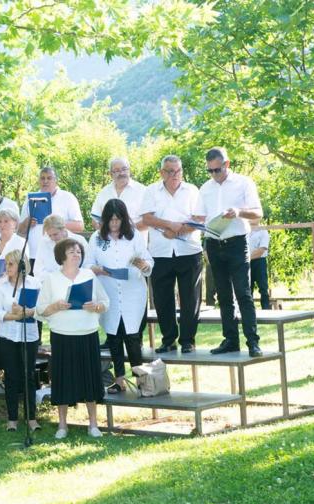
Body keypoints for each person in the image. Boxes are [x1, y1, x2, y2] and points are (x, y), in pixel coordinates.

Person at [193, 147, 264, 357]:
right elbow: (199, 217)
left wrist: (238, 212)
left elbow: (258, 214)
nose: (214, 175)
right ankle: (231, 340)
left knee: (243, 292)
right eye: (210, 171)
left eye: (217, 170)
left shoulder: (244, 183)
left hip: (236, 242)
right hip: (214, 243)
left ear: (227, 164)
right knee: (223, 295)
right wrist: (198, 222)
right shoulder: (205, 189)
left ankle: (253, 341)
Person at [36, 239, 109, 439]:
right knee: (62, 379)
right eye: (71, 252)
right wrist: (56, 306)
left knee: (90, 378)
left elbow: (105, 303)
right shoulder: (51, 279)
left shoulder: (89, 275)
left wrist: (96, 306)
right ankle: (62, 425)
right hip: (62, 335)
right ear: (62, 256)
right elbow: (40, 310)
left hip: (87, 333)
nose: (76, 254)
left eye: (78, 251)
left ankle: (93, 424)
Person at [88, 199, 153, 393]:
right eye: (111, 220)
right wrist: (98, 269)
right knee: (114, 336)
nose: (114, 224)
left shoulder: (134, 237)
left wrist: (144, 265)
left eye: (118, 219)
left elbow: (148, 260)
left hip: (132, 291)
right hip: (108, 292)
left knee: (132, 336)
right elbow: (87, 264)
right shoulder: (96, 239)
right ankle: (119, 379)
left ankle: (141, 380)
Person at [140, 155, 203, 354]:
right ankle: (168, 340)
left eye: (177, 171)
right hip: (160, 253)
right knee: (162, 298)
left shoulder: (192, 190)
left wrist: (178, 230)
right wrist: (169, 225)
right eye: (169, 171)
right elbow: (147, 218)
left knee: (190, 298)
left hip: (189, 251)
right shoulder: (151, 191)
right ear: (161, 173)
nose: (174, 175)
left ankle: (188, 340)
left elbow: (199, 217)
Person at [0, 249, 41, 432]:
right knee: (11, 377)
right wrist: (12, 316)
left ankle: (31, 418)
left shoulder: (34, 283)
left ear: (21, 266)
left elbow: (41, 309)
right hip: (7, 336)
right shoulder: (0, 284)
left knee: (28, 375)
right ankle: (12, 419)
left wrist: (27, 312)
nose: (7, 267)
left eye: (11, 264)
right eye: (6, 264)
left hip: (29, 336)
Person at [19, 167, 84, 261]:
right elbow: (19, 230)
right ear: (38, 181)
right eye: (42, 178)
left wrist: (57, 225)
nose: (45, 181)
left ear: (56, 181)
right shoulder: (30, 199)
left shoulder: (68, 197)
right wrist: (26, 223)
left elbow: (80, 226)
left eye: (49, 178)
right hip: (33, 254)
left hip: (59, 253)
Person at [91, 157, 147, 237]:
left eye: (124, 169)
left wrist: (125, 230)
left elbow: (149, 220)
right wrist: (106, 231)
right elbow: (95, 219)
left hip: (135, 243)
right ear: (110, 174)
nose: (121, 173)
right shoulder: (103, 192)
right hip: (109, 244)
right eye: (117, 170)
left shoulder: (143, 191)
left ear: (129, 170)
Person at [32, 214, 89, 281]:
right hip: (51, 284)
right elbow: (37, 271)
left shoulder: (79, 240)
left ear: (63, 229)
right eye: (49, 235)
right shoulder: (44, 242)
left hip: (75, 283)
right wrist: (57, 278)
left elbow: (86, 266)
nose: (52, 238)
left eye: (55, 234)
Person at [249, 220, 271, 310]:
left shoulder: (263, 231)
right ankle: (249, 310)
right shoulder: (244, 230)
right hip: (246, 263)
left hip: (259, 262)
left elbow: (262, 249)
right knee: (248, 287)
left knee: (263, 287)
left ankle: (266, 309)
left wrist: (246, 257)